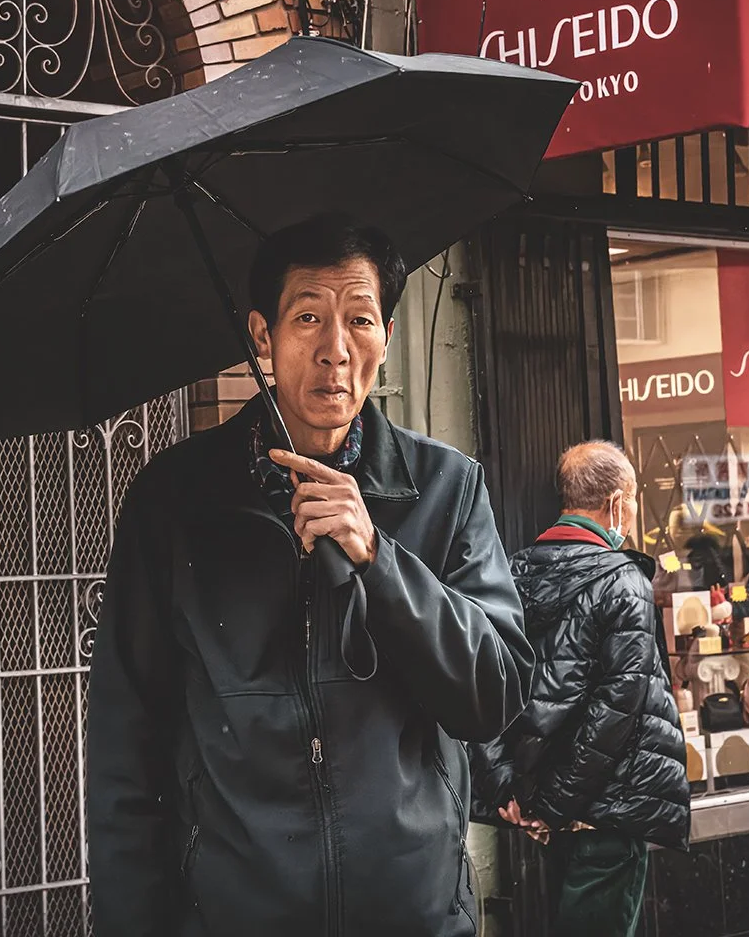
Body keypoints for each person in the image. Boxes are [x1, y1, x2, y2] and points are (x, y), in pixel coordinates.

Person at [86, 213, 532, 937]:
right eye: (307, 319)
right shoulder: (174, 500)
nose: (336, 351)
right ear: (262, 337)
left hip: (412, 914)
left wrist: (379, 560)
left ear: (385, 338)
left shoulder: (446, 488)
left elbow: (494, 694)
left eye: (360, 319)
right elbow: (124, 749)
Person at [471, 441, 688, 937]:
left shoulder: (511, 572)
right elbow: (617, 713)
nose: (632, 515)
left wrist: (511, 790)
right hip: (603, 816)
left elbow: (483, 688)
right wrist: (551, 805)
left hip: (544, 815)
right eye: (632, 501)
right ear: (616, 504)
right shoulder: (623, 581)